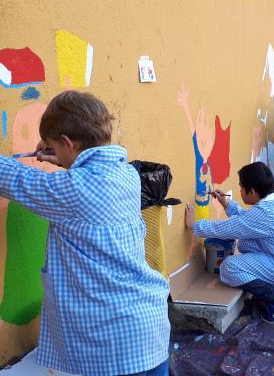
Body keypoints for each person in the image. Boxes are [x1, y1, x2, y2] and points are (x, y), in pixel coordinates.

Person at [0, 91, 170, 375]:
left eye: (56, 145)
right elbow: (84, 177)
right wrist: (65, 158)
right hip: (148, 329)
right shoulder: (126, 174)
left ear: (67, 142)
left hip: (114, 347)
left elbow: (17, 179)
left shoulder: (74, 189)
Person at [184, 162, 274, 324]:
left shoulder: (263, 213)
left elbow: (227, 228)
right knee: (245, 244)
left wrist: (194, 226)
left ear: (251, 191)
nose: (239, 191)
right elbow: (247, 221)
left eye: (241, 188)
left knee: (230, 267)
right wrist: (227, 204)